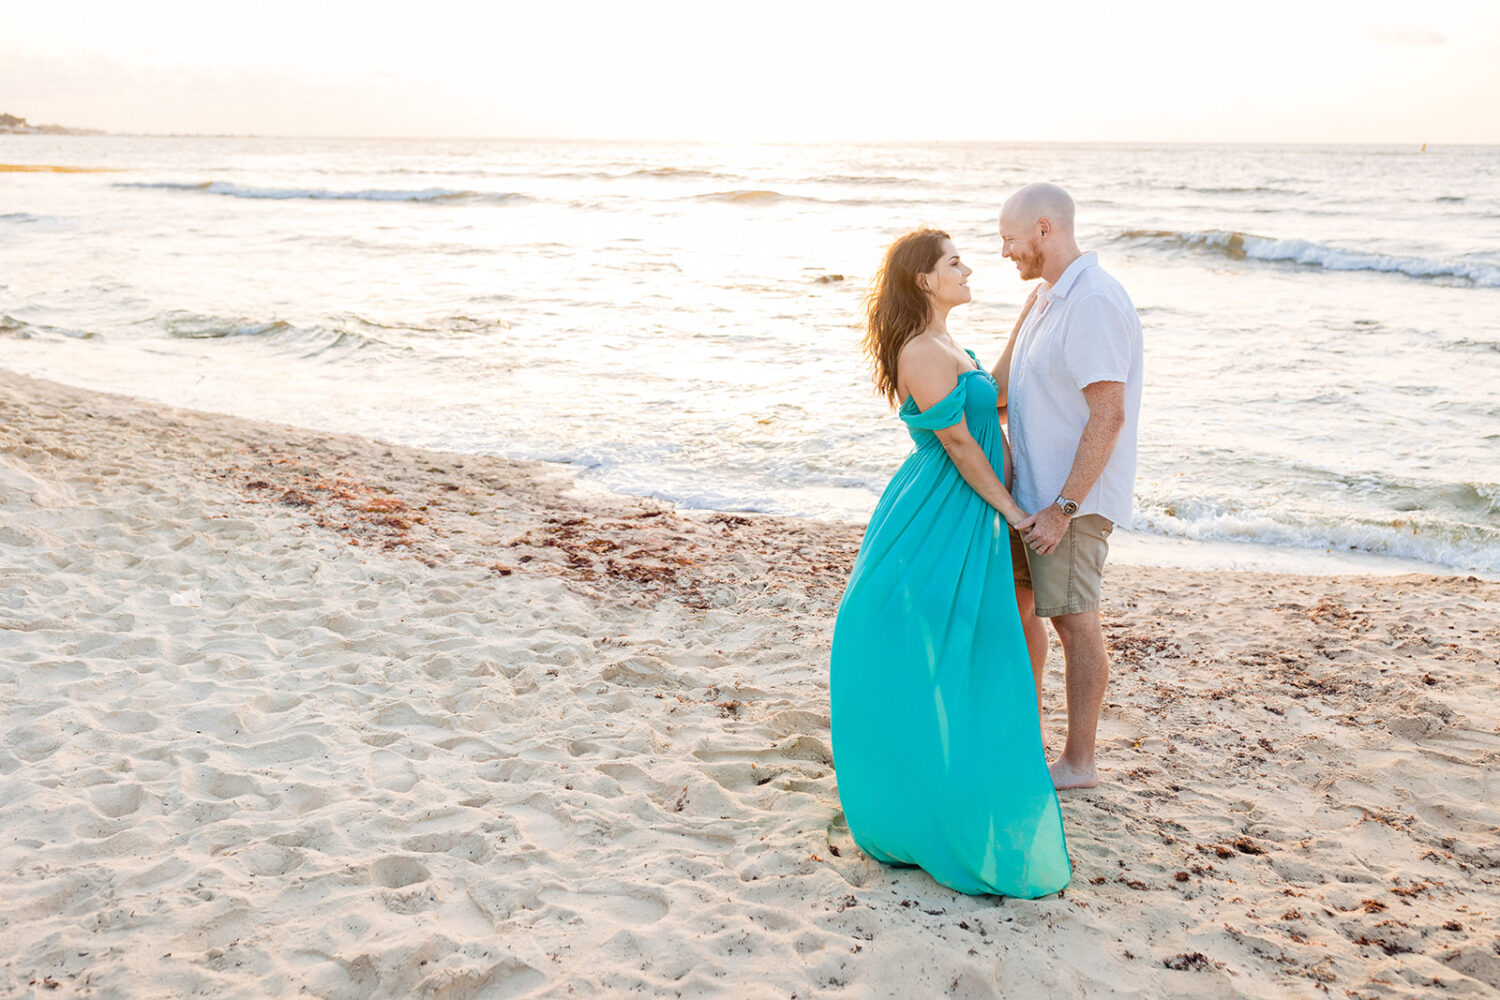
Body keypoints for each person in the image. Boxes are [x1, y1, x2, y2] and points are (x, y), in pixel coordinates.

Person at [829, 228, 1071, 898]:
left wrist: (1032, 311)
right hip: (941, 510)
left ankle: (957, 766)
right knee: (922, 633)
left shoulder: (948, 344)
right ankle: (913, 788)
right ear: (924, 280)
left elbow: (995, 393)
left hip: (964, 512)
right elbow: (963, 446)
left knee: (975, 637)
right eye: (954, 262)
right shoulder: (920, 350)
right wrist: (1015, 512)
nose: (967, 269)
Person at [991, 183, 1144, 791]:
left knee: (1076, 622)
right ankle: (1024, 741)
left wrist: (1063, 507)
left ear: (1044, 229)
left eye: (1010, 239)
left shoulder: (1094, 302)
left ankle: (1080, 763)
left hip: (1070, 503)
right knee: (1024, 610)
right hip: (1029, 495)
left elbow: (1109, 415)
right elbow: (1002, 391)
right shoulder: (1045, 298)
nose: (1004, 251)